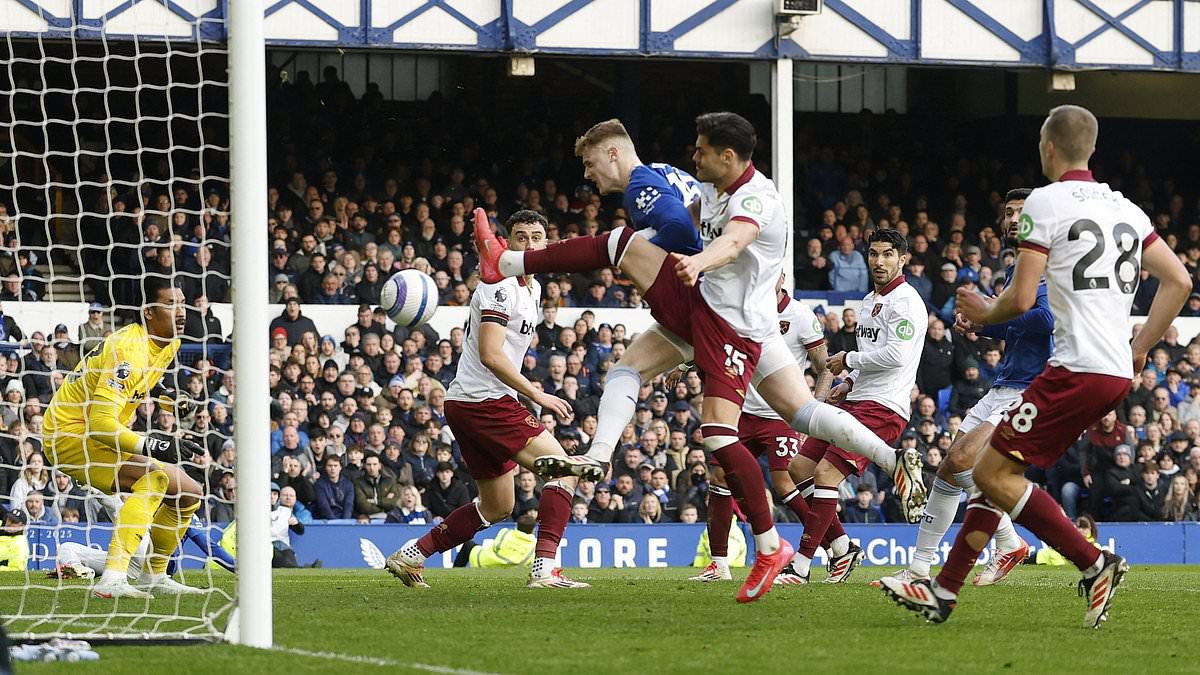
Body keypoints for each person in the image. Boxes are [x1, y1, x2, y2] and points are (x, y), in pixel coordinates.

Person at [477, 113, 925, 603]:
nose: (694, 158)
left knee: (714, 430)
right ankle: (892, 459)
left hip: (727, 319)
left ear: (726, 156)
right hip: (735, 315)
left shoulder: (752, 197)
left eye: (701, 151)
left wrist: (695, 259)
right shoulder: (712, 188)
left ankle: (768, 545)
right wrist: (668, 246)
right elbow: (689, 219)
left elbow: (732, 240)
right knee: (794, 411)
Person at [880, 104, 1191, 629]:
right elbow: (1179, 281)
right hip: (1111, 370)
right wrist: (1141, 345)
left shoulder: (1044, 204)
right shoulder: (1128, 209)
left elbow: (1023, 298)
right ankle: (944, 591)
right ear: (1091, 148)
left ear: (1048, 148)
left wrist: (983, 312)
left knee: (991, 472)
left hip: (1075, 369)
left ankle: (1095, 562)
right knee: (997, 473)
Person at [384, 211, 599, 590]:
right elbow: (490, 354)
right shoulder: (499, 287)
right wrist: (537, 394)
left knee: (498, 506)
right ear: (508, 245)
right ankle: (544, 569)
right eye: (521, 238)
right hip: (485, 402)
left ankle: (412, 555)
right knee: (564, 470)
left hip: (469, 403)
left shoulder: (531, 291)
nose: (530, 245)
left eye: (537, 237)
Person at [885, 188, 1047, 587]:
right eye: (1007, 212)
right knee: (949, 470)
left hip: (1031, 388)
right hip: (1003, 384)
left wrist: (993, 313)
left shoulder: (1048, 266)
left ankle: (1009, 543)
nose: (1011, 219)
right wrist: (982, 325)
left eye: (1020, 213)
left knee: (961, 461)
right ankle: (919, 567)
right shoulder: (1019, 267)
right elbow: (1017, 324)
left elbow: (1046, 320)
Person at [42, 277, 206, 599]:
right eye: (171, 304)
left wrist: (169, 399)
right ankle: (112, 579)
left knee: (189, 493)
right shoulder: (129, 348)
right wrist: (154, 444)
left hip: (94, 432)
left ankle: (153, 575)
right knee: (155, 478)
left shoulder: (168, 342)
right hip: (70, 434)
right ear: (148, 312)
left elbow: (145, 384)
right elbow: (102, 423)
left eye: (183, 303)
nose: (181, 311)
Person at [782, 228, 928, 584]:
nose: (880, 262)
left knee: (826, 475)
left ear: (902, 259)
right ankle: (843, 547)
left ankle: (800, 567)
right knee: (800, 467)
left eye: (888, 255)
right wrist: (847, 384)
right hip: (857, 399)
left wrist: (849, 359)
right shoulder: (868, 301)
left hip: (884, 406)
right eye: (874, 254)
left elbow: (897, 355)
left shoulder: (906, 302)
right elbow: (871, 361)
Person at [690, 273, 833, 583]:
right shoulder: (742, 309)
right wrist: (685, 362)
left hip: (781, 414)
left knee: (785, 485)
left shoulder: (800, 316)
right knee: (719, 477)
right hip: (741, 411)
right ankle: (718, 564)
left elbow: (826, 366)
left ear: (780, 277)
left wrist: (816, 405)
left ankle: (834, 545)